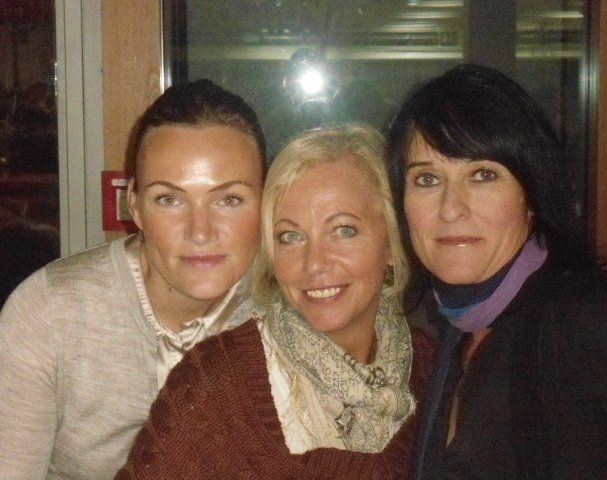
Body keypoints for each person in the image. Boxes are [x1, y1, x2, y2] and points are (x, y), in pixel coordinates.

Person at [115, 124, 437, 479]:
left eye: (343, 230)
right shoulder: (215, 386)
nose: (314, 263)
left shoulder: (436, 368)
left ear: (392, 242)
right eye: (290, 236)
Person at [0, 79, 267, 479]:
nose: (200, 231)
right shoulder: (50, 313)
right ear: (135, 206)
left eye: (229, 199)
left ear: (266, 203)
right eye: (169, 199)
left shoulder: (286, 311)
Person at [386, 63, 607, 479]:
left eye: (483, 175)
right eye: (427, 179)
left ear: (531, 193)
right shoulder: (445, 333)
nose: (451, 209)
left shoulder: (594, 318)